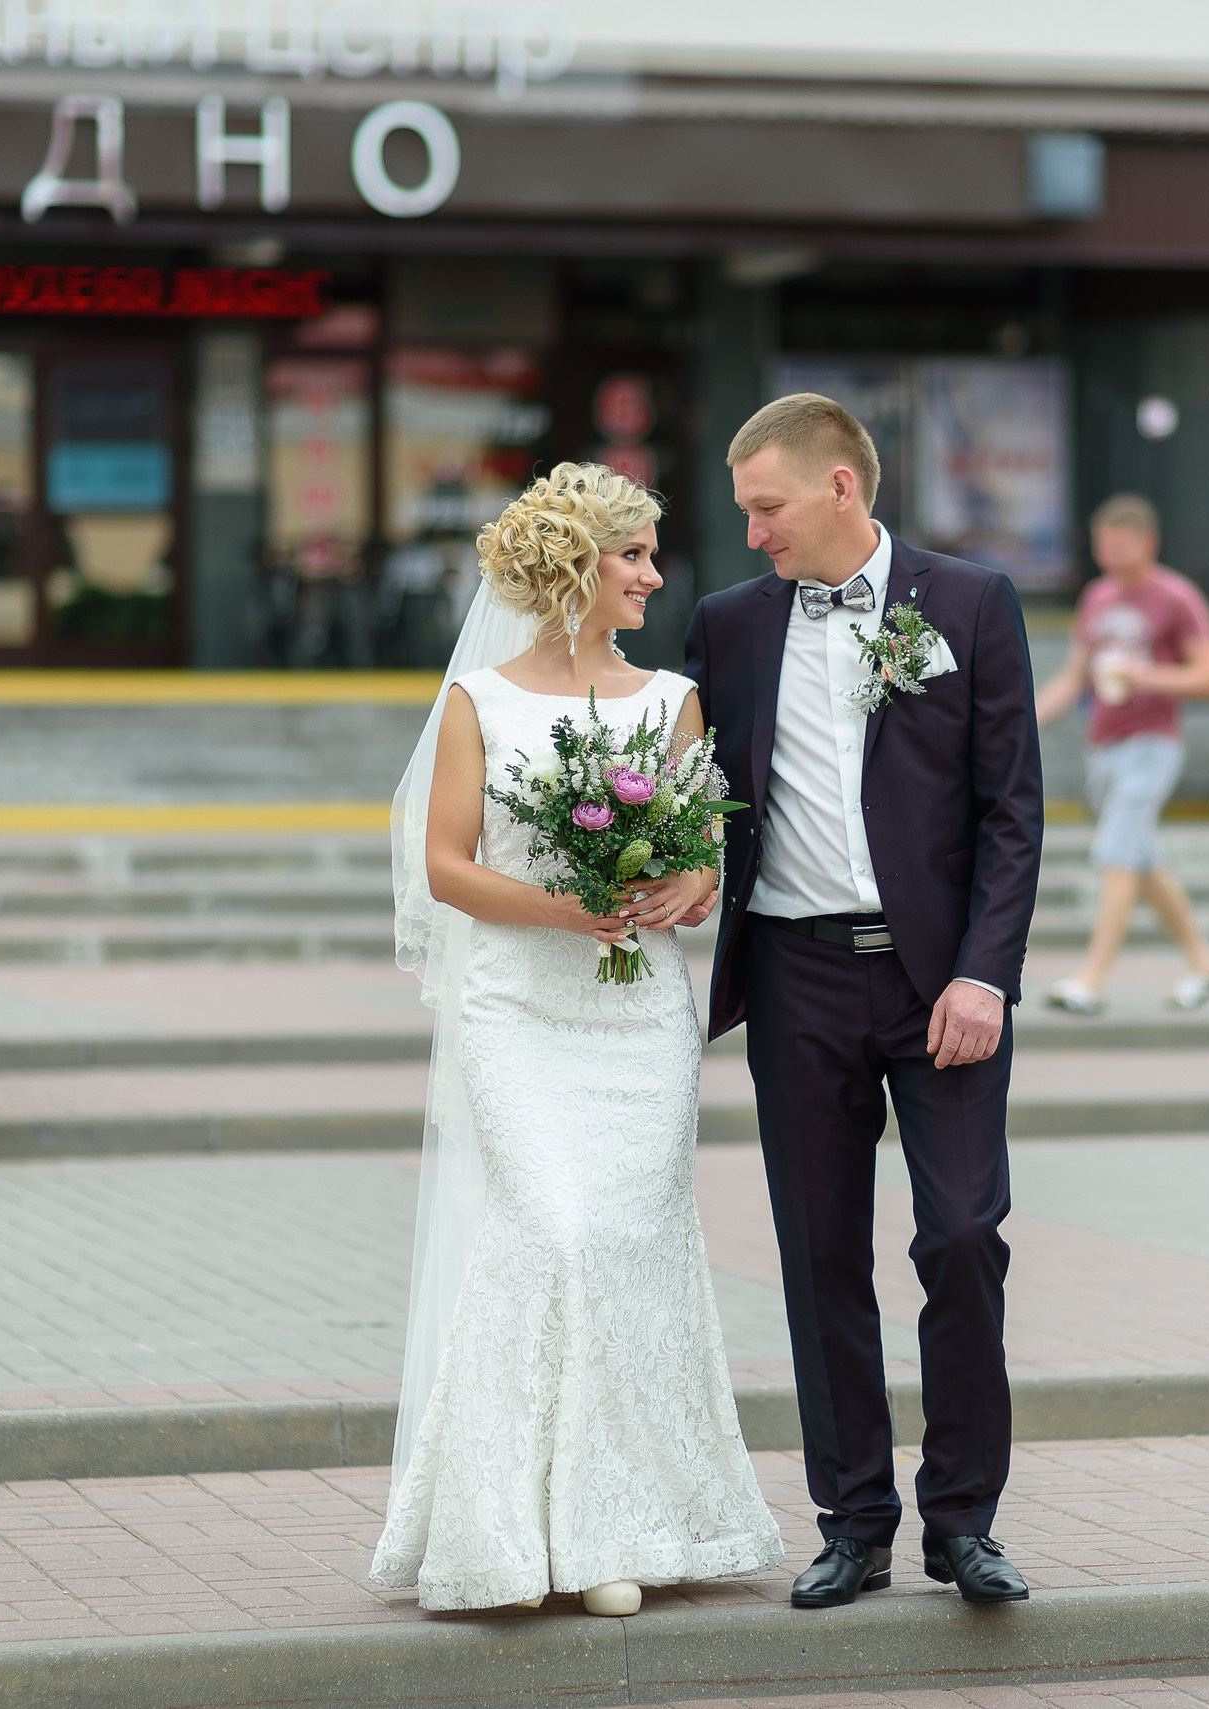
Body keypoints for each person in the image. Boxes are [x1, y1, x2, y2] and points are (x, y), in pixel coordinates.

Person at [373, 463, 784, 1618]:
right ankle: (501, 1524)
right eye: (635, 555)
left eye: (653, 554)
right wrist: (562, 907)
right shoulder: (480, 705)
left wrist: (688, 882)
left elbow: (705, 852)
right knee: (549, 1230)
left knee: (625, 1238)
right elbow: (447, 863)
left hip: (637, 1013)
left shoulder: (672, 699)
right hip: (516, 1007)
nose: (657, 575)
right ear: (573, 569)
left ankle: (622, 1523)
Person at [680, 394, 1046, 1610]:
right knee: (819, 1251)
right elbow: (694, 793)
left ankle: (964, 1520)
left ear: (842, 488)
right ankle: (854, 1521)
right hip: (794, 977)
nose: (752, 534)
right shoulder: (728, 627)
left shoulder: (972, 603)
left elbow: (1011, 808)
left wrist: (984, 970)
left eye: (766, 507)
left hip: (939, 979)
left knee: (960, 1234)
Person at [1033, 493, 1209, 1016]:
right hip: (1105, 745)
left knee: (1117, 849)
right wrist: (1022, 724)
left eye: (1121, 546)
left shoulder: (1176, 597)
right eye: (1104, 547)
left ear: (1148, 543)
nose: (1111, 556)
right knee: (1139, 858)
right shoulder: (1096, 598)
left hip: (1153, 742)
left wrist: (1143, 675)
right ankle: (1204, 962)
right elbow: (1075, 676)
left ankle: (1091, 978)